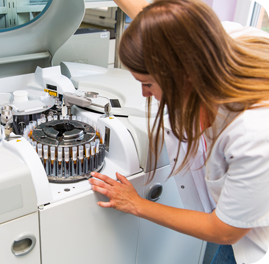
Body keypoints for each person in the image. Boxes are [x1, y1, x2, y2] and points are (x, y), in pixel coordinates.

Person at [89, 0, 269, 263]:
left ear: (183, 73)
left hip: (254, 241)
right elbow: (159, 26)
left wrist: (136, 204)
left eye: (148, 83)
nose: (143, 93)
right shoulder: (212, 43)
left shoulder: (252, 133)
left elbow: (224, 230)